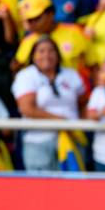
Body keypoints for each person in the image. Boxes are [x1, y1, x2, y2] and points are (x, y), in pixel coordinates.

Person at [12, 37, 87, 171]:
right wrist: (61, 122)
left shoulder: (71, 74)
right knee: (40, 188)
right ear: (33, 56)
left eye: (51, 51)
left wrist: (78, 127)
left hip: (71, 139)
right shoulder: (26, 75)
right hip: (38, 142)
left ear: (58, 54)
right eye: (41, 51)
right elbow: (27, 108)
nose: (46, 55)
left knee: (71, 187)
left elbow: (83, 103)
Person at [15, 0, 90, 71]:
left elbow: (92, 64)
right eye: (29, 20)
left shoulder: (75, 32)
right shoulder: (27, 42)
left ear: (51, 13)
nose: (32, 24)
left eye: (36, 18)